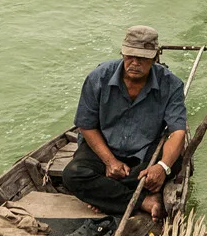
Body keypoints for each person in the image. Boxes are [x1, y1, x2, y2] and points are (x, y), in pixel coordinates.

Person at [62, 25, 187, 221]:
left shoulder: (171, 85)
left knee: (175, 162)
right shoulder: (98, 78)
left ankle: (104, 194)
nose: (135, 63)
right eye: (130, 56)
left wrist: (162, 167)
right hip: (104, 148)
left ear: (155, 58)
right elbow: (86, 125)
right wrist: (110, 161)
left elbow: (177, 133)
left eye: (143, 58)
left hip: (144, 153)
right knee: (73, 174)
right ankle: (144, 201)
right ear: (122, 53)